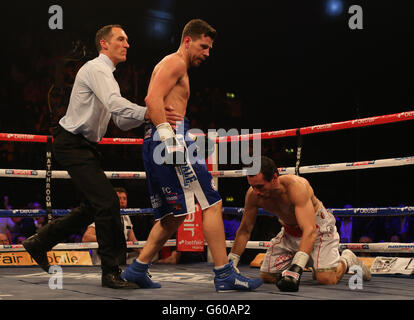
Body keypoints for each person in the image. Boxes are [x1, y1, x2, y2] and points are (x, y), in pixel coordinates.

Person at [22, 24, 183, 289]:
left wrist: (151, 116)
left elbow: (119, 116)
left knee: (92, 206)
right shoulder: (97, 69)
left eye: (128, 39)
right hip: (72, 143)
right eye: (121, 39)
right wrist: (150, 111)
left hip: (83, 146)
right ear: (104, 44)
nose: (127, 44)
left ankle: (38, 242)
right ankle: (111, 272)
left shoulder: (106, 74)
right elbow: (116, 105)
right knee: (108, 203)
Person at [121, 19, 263, 292]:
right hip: (170, 140)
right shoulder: (175, 63)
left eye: (210, 48)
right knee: (212, 203)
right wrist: (168, 135)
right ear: (188, 41)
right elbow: (152, 99)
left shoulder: (171, 64)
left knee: (174, 216)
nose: (207, 53)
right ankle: (224, 273)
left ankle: (137, 269)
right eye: (204, 46)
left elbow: (155, 103)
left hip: (157, 140)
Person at [228, 156, 371, 292]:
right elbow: (245, 229)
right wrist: (231, 263)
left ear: (274, 178)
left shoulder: (296, 187)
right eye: (252, 186)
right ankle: (314, 262)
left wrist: (296, 269)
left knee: (326, 278)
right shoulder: (253, 195)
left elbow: (309, 230)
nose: (256, 192)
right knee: (267, 276)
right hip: (289, 232)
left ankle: (347, 259)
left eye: (260, 186)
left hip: (317, 229)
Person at [82, 187, 140, 264]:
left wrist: (144, 254)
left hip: (121, 257)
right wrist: (109, 239)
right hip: (103, 259)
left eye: (124, 199)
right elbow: (86, 238)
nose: (122, 201)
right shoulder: (103, 215)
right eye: (119, 198)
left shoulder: (126, 216)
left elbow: (133, 240)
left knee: (149, 255)